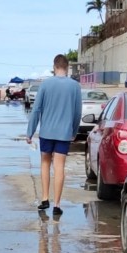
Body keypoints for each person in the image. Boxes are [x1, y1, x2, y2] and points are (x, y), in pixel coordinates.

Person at [26, 54, 82, 217]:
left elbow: (36, 109)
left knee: (45, 163)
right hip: (64, 133)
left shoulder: (45, 84)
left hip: (47, 133)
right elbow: (77, 112)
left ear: (54, 66)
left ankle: (45, 199)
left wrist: (30, 132)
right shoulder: (75, 86)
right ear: (67, 67)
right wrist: (73, 131)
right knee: (59, 167)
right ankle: (57, 205)